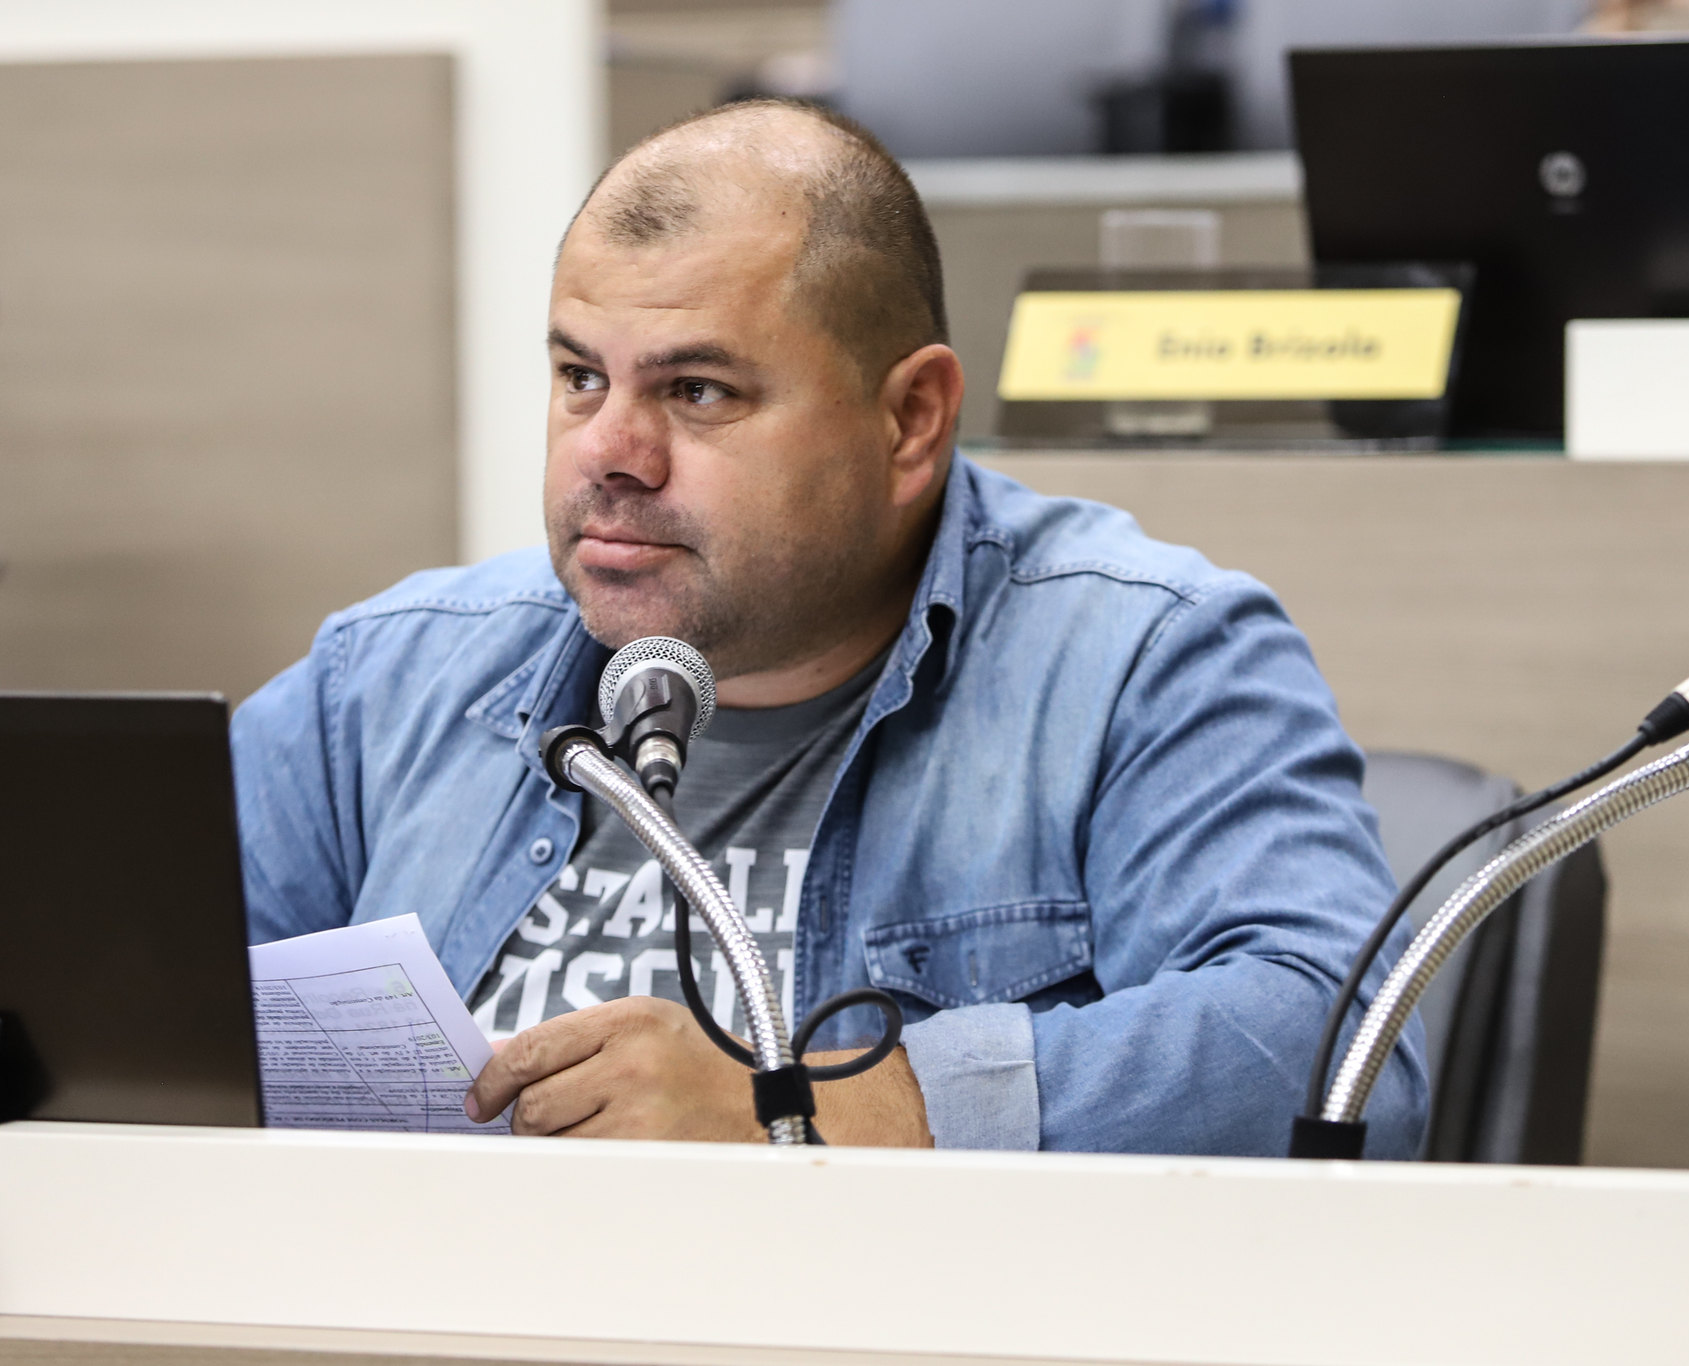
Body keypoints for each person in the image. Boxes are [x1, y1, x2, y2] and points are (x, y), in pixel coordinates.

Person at [231, 99, 1426, 1156]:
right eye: (579, 377)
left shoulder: (1140, 657)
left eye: (697, 391)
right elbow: (127, 1008)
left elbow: (1331, 1041)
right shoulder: (386, 679)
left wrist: (808, 1108)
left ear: (909, 417)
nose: (608, 455)